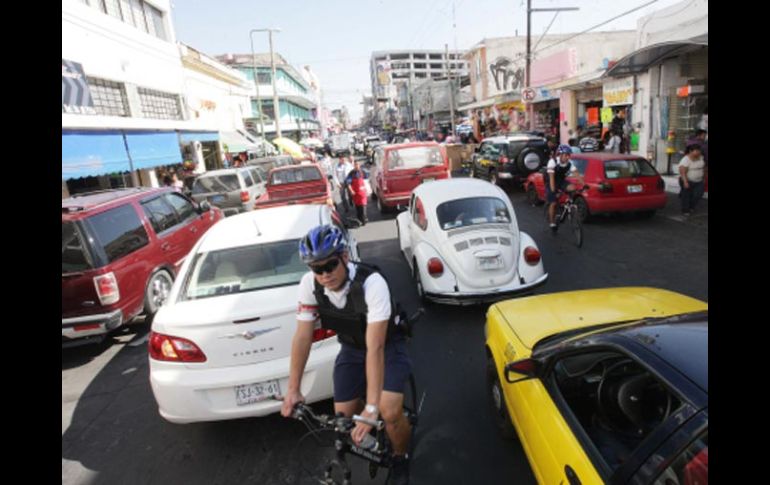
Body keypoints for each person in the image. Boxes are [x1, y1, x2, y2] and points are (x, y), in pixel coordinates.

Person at [281, 226, 413, 484]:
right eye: (316, 269)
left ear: (344, 256)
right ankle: (372, 421)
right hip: (351, 349)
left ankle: (401, 456)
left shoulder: (371, 284)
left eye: (330, 265)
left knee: (389, 411)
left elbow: (375, 347)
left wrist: (374, 407)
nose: (324, 275)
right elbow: (302, 337)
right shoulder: (310, 285)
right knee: (343, 417)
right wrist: (293, 388)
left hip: (387, 346)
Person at [545, 145, 584, 233]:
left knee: (573, 187)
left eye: (569, 155)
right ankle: (552, 223)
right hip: (551, 181)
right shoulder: (553, 162)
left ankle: (568, 204)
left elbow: (576, 174)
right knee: (553, 203)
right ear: (560, 155)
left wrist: (583, 184)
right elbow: (551, 179)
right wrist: (553, 191)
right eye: (566, 155)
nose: (568, 157)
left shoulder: (569, 163)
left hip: (561, 181)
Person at [678, 144, 706, 216]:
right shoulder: (686, 159)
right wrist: (685, 182)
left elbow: (704, 168)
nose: (699, 152)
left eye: (699, 150)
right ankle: (685, 209)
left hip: (699, 181)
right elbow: (682, 172)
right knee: (686, 196)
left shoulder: (701, 157)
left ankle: (691, 206)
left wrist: (704, 177)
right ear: (690, 151)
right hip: (687, 180)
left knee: (698, 194)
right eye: (696, 151)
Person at [347, 160, 368, 226]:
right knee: (358, 208)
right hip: (356, 194)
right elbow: (348, 183)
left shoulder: (363, 171)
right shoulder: (351, 173)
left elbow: (367, 179)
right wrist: (351, 190)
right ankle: (359, 220)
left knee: (363, 206)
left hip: (362, 193)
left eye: (358, 165)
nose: (357, 166)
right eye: (355, 165)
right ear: (354, 165)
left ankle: (364, 219)